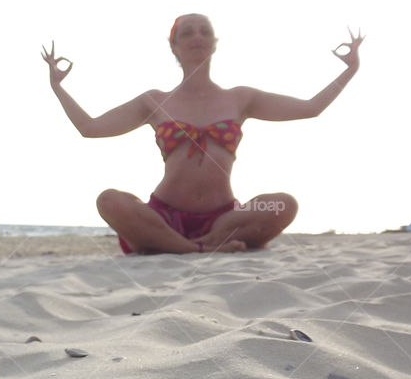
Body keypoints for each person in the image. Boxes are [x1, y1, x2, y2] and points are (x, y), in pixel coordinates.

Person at [42, 14, 363, 254]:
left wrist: (350, 70)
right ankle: (196, 249)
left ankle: (193, 245)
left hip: (224, 219)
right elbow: (90, 128)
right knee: (110, 200)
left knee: (282, 204)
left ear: (215, 43)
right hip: (161, 217)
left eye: (205, 31)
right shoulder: (153, 100)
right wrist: (57, 87)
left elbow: (310, 107)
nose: (197, 36)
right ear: (174, 46)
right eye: (187, 32)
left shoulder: (241, 97)